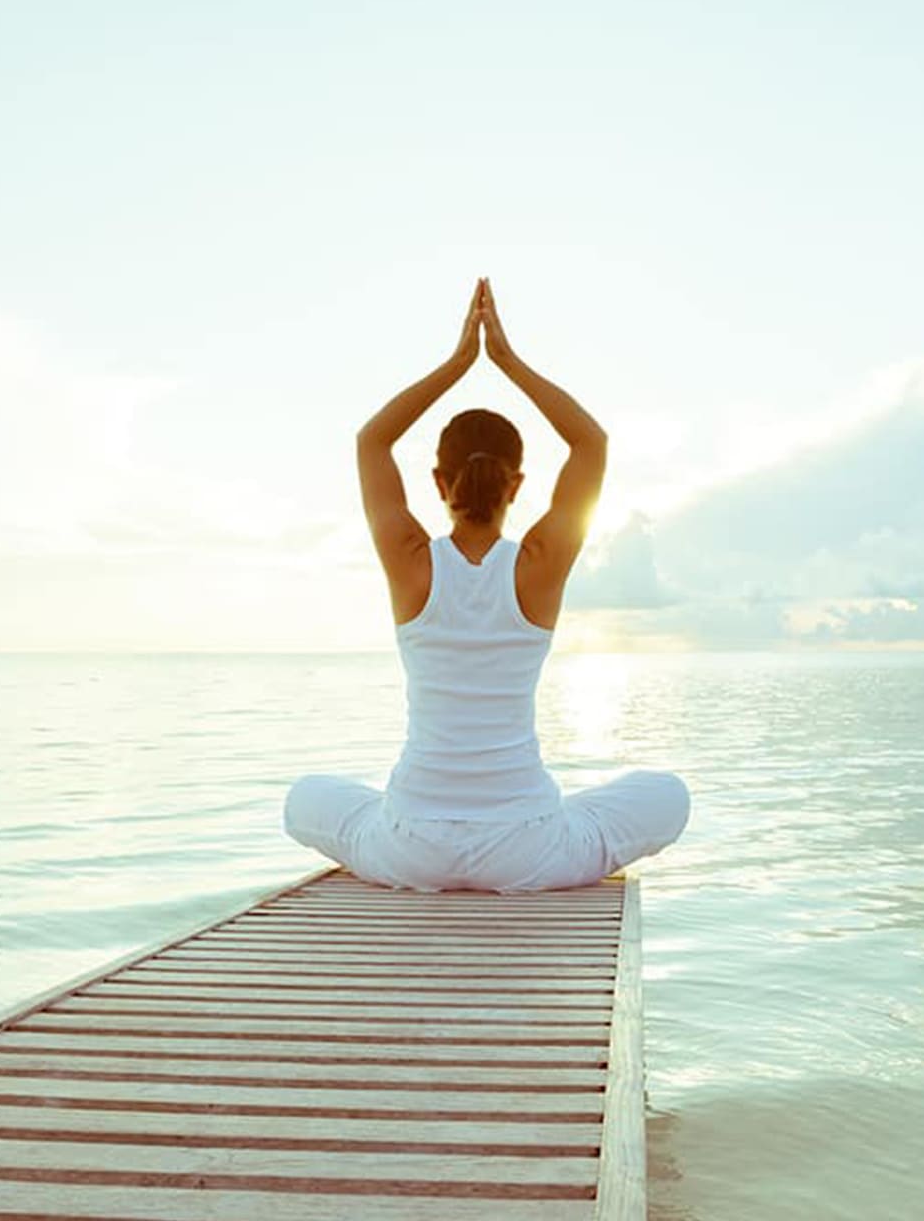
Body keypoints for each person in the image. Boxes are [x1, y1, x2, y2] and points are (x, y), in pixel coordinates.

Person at [283, 277, 690, 892]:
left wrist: (458, 364)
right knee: (667, 794)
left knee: (304, 797)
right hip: (527, 849)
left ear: (439, 482)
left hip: (412, 845)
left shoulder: (411, 560)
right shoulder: (539, 563)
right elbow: (590, 442)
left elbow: (372, 440)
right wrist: (505, 361)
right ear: (517, 485)